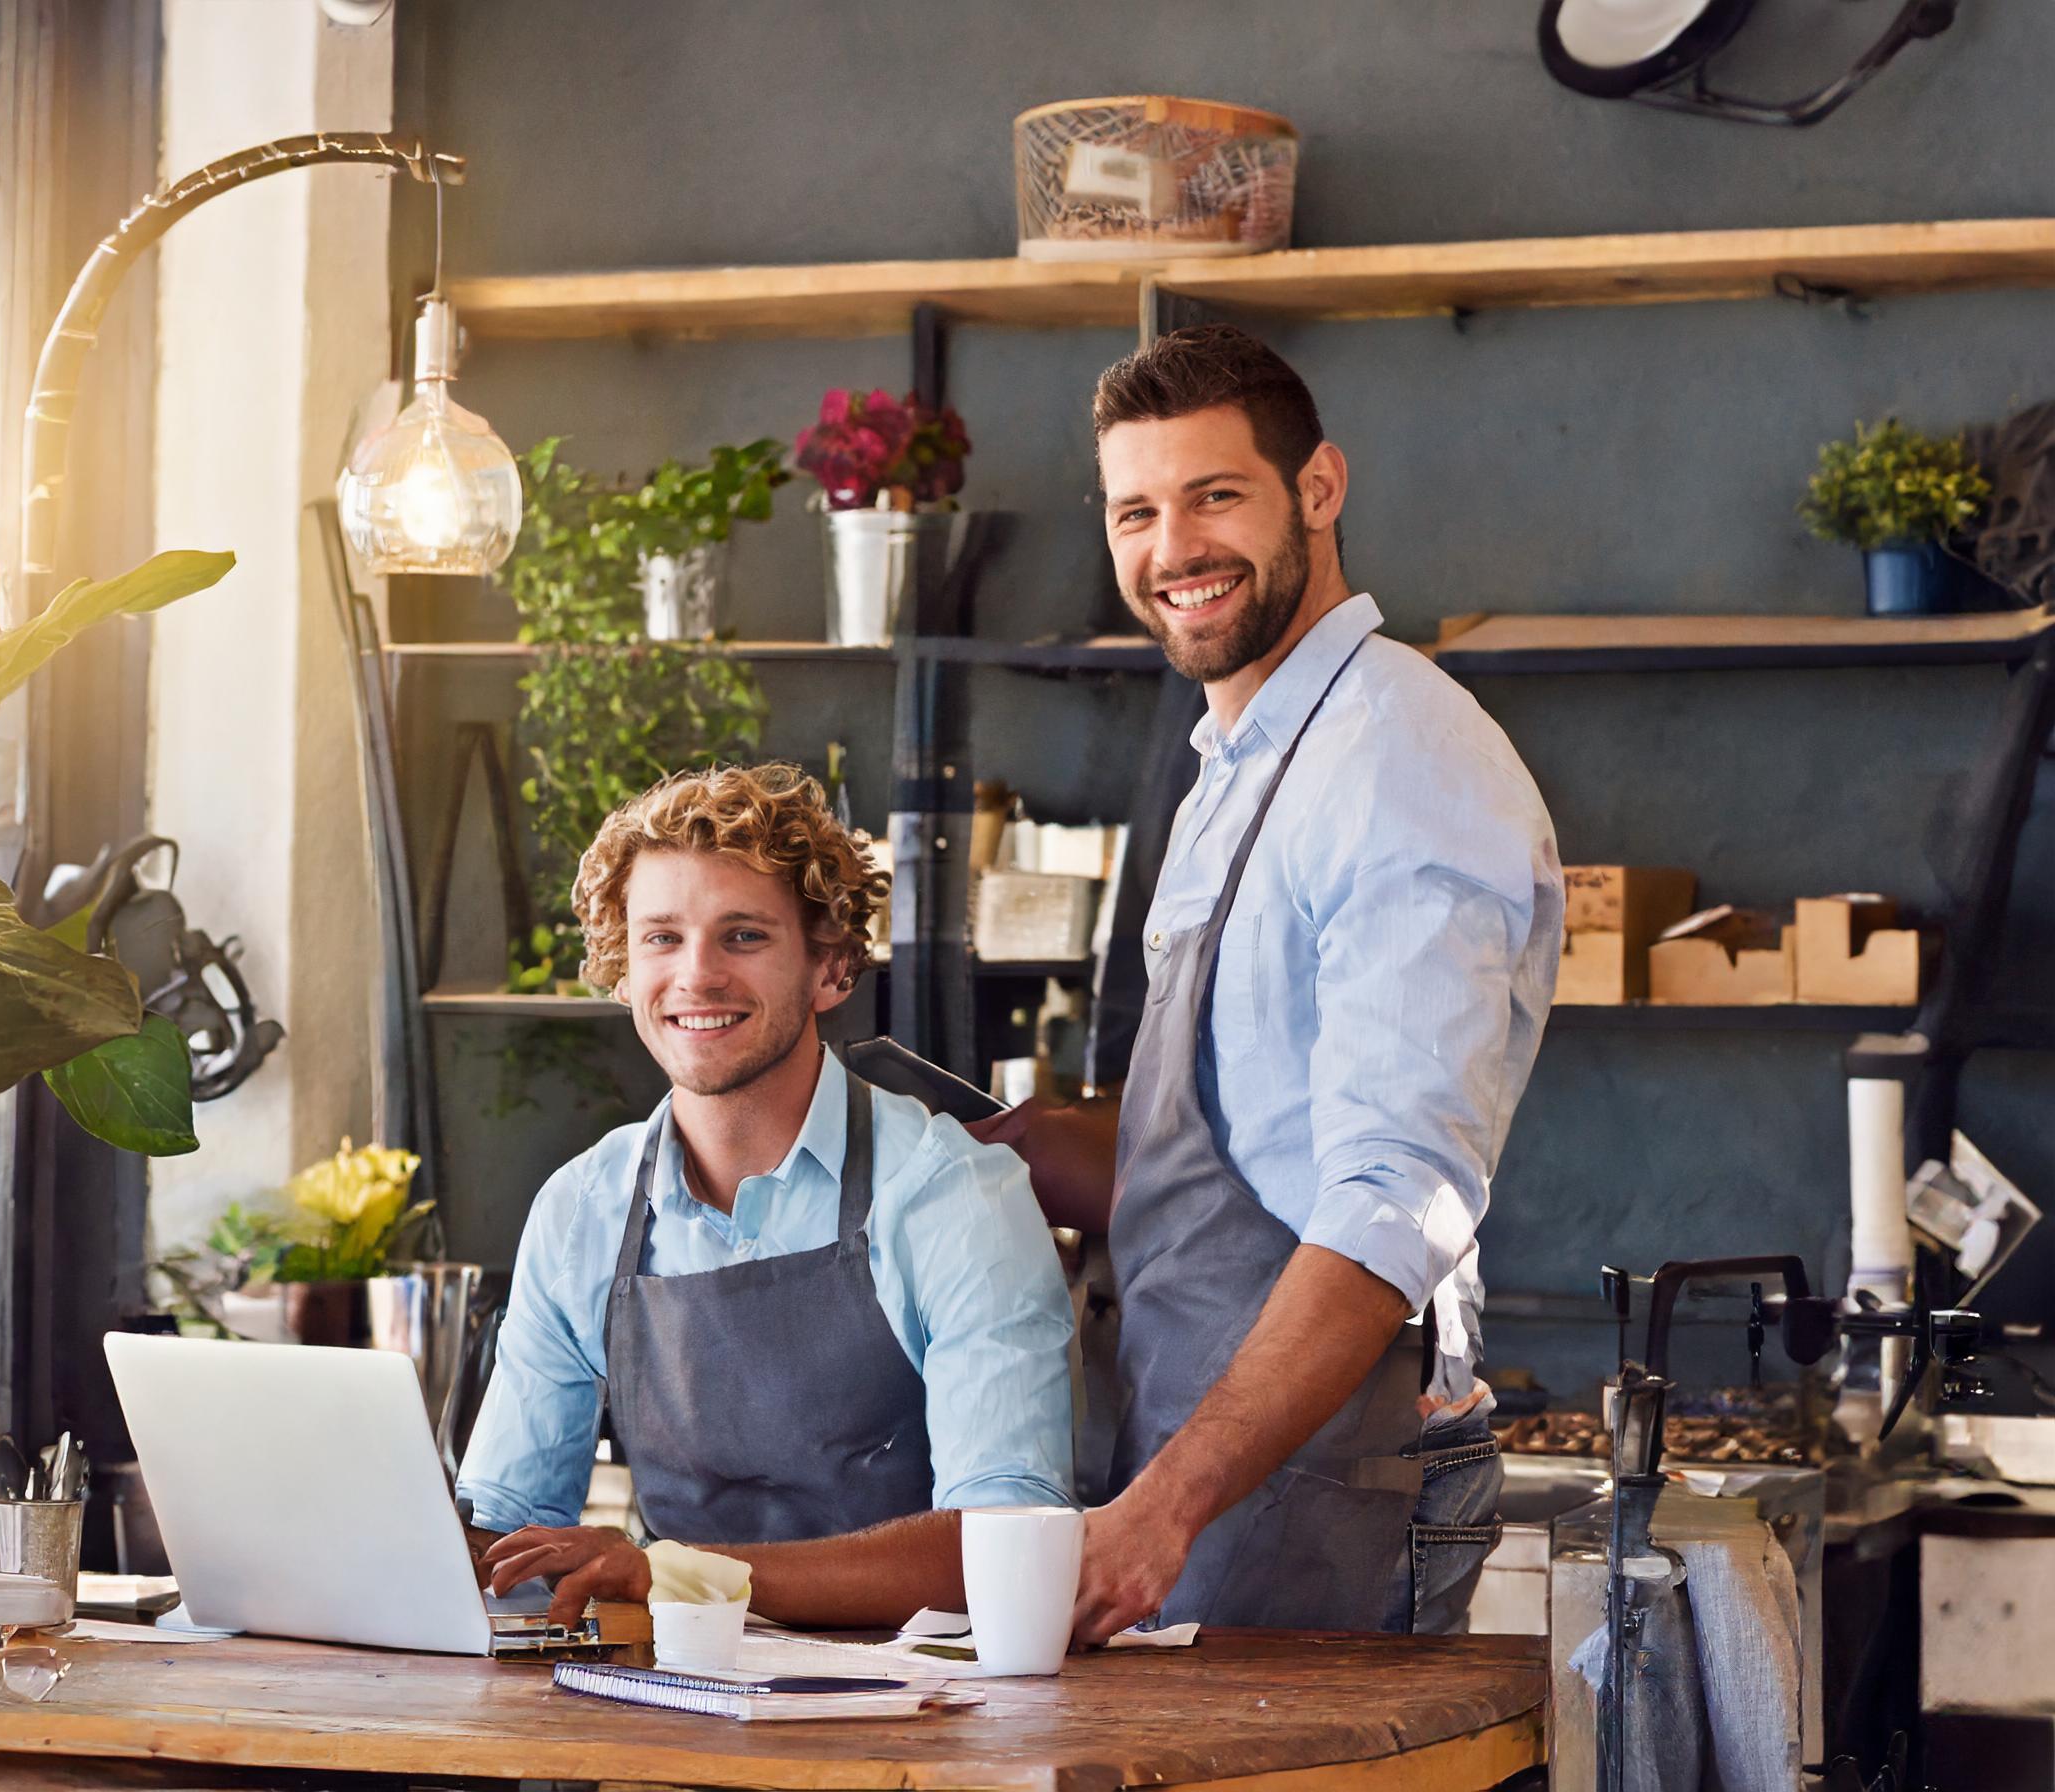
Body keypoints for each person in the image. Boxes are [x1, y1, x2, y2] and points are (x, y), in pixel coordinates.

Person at [974, 324, 1563, 1643]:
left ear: (1319, 489)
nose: (1172, 549)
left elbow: (1390, 1200)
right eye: (1137, 510)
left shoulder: (1396, 759)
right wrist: (1020, 1155)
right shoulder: (1237, 760)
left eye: (1215, 497)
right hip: (1219, 1476)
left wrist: (1162, 1509)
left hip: (1316, 1495)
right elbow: (1252, 1150)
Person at [455, 762, 1074, 1629]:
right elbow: (506, 1527)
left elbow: (1005, 1546)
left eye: (742, 936)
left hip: (921, 1712)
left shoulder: (952, 1196)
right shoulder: (581, 1210)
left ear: (829, 968)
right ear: (621, 972)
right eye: (661, 939)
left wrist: (668, 1574)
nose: (695, 976)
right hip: (674, 1701)